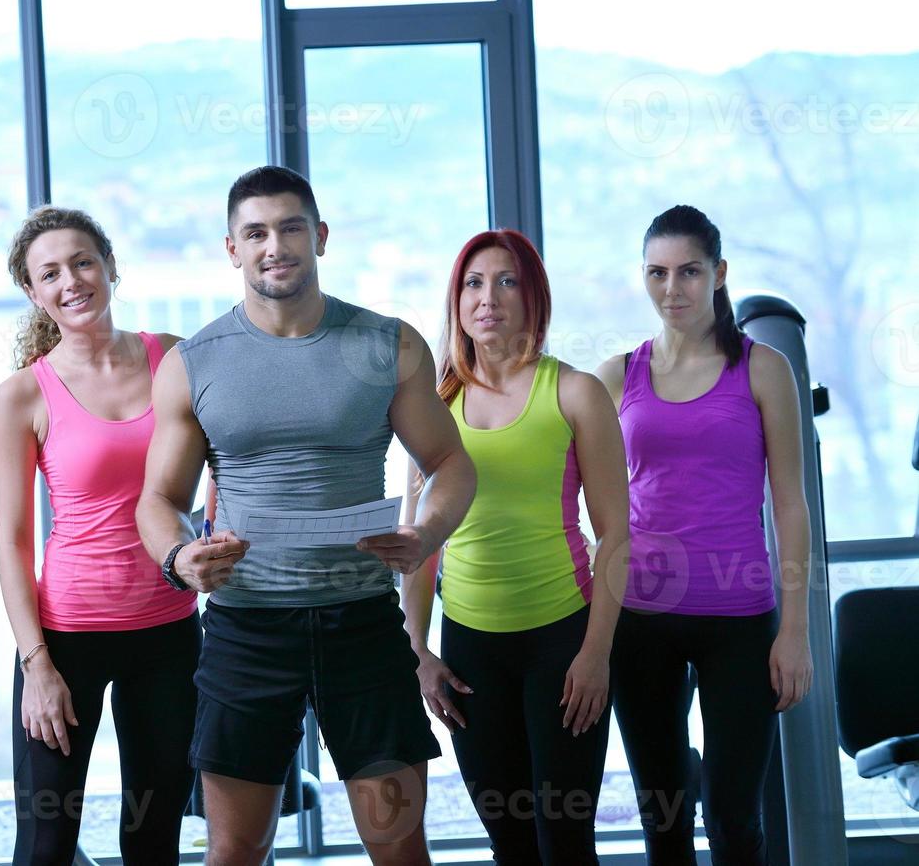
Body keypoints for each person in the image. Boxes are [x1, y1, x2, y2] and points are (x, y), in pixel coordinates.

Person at [136, 165, 477, 866]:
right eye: (255, 232)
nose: (274, 245)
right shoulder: (190, 363)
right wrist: (178, 557)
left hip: (362, 623)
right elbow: (157, 500)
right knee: (234, 851)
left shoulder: (388, 343)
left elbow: (451, 463)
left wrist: (425, 535)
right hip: (246, 628)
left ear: (319, 236)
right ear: (231, 248)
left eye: (290, 227)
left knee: (397, 847)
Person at [594, 205, 814, 865]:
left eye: (688, 271)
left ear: (717, 274)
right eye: (656, 273)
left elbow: (790, 505)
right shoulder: (615, 375)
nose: (672, 288)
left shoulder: (764, 368)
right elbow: (578, 497)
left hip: (739, 621)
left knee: (733, 819)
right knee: (662, 820)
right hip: (641, 617)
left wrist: (794, 630)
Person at [403, 229, 630, 865]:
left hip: (563, 641)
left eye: (506, 281)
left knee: (564, 843)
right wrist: (417, 650)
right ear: (456, 301)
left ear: (533, 297)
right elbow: (419, 547)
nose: (488, 297)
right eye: (473, 283)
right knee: (509, 842)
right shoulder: (434, 405)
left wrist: (596, 653)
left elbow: (616, 534)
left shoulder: (575, 392)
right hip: (471, 649)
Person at [0, 206, 200, 865]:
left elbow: (228, 459)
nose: (71, 281)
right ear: (32, 293)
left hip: (168, 634)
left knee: (154, 836)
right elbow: (12, 541)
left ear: (110, 267)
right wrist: (36, 665)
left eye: (82, 262)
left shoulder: (172, 357)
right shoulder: (22, 395)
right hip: (67, 642)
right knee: (46, 845)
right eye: (49, 273)